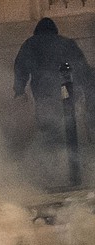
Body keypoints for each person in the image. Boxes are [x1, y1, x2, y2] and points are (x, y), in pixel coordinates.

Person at [14, 17, 91, 188]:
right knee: (70, 132)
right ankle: (74, 174)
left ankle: (52, 174)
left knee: (49, 132)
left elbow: (21, 67)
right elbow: (82, 68)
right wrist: (84, 92)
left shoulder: (31, 44)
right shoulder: (67, 43)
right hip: (69, 97)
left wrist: (19, 91)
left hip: (44, 96)